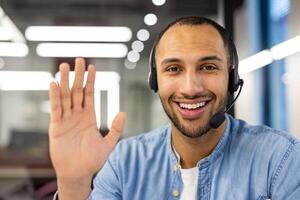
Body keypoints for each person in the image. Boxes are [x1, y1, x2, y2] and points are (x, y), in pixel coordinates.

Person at [48, 16, 300, 200]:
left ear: (232, 79)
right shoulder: (125, 162)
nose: (190, 88)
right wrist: (73, 183)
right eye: (173, 69)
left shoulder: (281, 159)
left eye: (208, 67)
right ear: (155, 80)